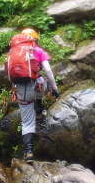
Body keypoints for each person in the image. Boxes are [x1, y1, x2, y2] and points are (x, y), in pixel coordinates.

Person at [5, 27, 60, 161]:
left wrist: (15, 89)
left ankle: (28, 152)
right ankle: (41, 110)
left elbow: (9, 74)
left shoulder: (12, 52)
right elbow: (47, 70)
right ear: (34, 39)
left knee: (27, 122)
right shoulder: (38, 51)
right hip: (37, 87)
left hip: (21, 90)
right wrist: (55, 88)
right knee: (43, 80)